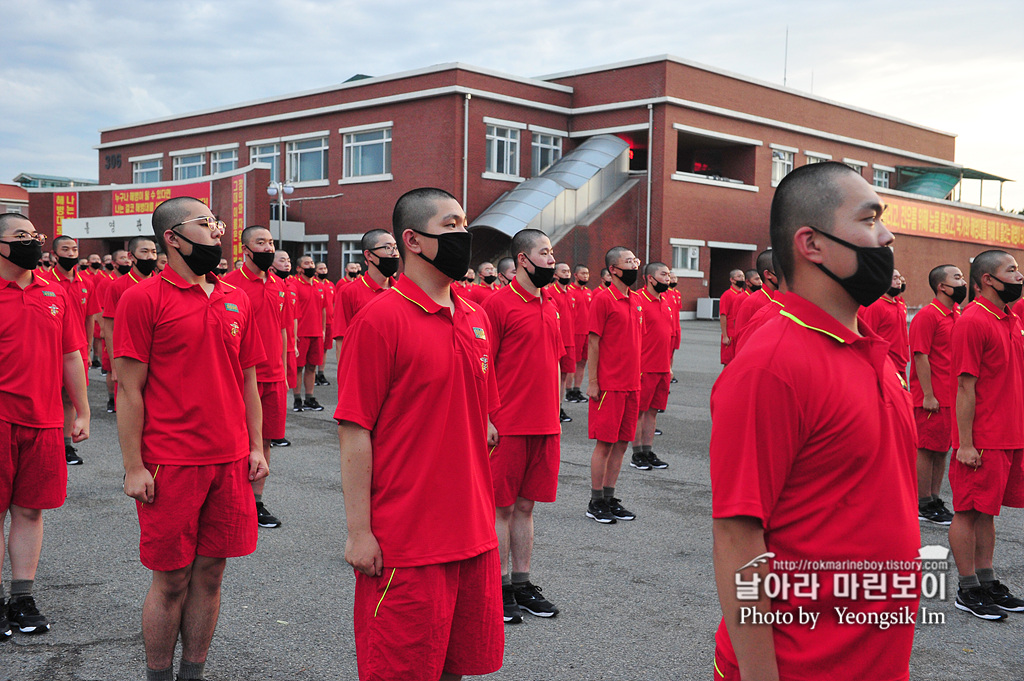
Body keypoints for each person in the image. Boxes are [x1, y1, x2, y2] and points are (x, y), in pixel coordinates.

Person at [711, 162, 920, 680]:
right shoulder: (771, 366)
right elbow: (738, 538)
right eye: (870, 219)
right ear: (812, 244)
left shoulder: (869, 349)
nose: (887, 235)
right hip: (803, 665)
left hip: (876, 657)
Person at [336, 187, 503, 680]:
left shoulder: (475, 317)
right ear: (412, 240)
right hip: (407, 543)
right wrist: (359, 532)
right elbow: (354, 432)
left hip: (472, 533)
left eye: (464, 224)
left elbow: (482, 419)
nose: (464, 235)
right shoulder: (380, 320)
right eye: (450, 225)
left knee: (454, 666)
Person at [115, 197, 268, 681]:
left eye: (217, 223)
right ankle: (159, 674)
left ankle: (193, 673)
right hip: (170, 463)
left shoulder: (235, 297)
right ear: (172, 239)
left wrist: (258, 447)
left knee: (211, 573)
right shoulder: (142, 298)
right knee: (172, 579)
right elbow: (130, 390)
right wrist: (134, 465)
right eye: (205, 224)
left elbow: (248, 381)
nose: (217, 232)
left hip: (230, 460)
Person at [0, 214, 89, 640]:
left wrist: (83, 411)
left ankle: (21, 597)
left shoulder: (53, 291)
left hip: (45, 419)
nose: (32, 242)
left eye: (35, 236)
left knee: (31, 510)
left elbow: (71, 353)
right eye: (21, 237)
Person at [483, 228, 563, 625]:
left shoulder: (551, 303)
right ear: (522, 260)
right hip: (508, 424)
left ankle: (522, 583)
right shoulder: (497, 305)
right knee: (503, 507)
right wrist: (485, 418)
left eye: (552, 252)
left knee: (527, 507)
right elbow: (481, 367)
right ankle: (498, 589)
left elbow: (555, 361)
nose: (552, 260)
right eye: (544, 253)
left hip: (545, 424)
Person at [947, 249, 1024, 621]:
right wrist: (965, 443)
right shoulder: (974, 320)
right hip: (981, 437)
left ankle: (987, 580)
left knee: (987, 514)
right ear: (988, 280)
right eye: (1011, 270)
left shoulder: (1009, 319)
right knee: (967, 511)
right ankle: (967, 589)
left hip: (1008, 434)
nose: (1019, 275)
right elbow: (965, 386)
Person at [224, 227, 290, 529]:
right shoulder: (229, 286)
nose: (268, 248)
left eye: (271, 243)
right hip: (241, 377)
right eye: (260, 243)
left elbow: (283, 330)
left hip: (274, 375)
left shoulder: (279, 285)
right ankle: (231, 499)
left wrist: (286, 370)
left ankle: (256, 502)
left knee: (264, 441)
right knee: (237, 439)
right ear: (245, 251)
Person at [585, 247, 643, 524]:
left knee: (621, 445)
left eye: (635, 261)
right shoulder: (602, 299)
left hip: (632, 384)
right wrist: (593, 382)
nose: (634, 265)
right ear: (613, 270)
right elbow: (594, 341)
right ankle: (595, 501)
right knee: (605, 445)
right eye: (628, 262)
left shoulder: (636, 300)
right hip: (609, 385)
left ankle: (609, 497)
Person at [908, 265, 964, 526]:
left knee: (941, 450)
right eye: (957, 278)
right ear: (941, 286)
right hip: (932, 397)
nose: (963, 281)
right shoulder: (928, 315)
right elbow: (921, 355)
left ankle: (933, 498)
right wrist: (928, 395)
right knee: (926, 450)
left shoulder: (955, 314)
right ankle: (921, 503)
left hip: (950, 396)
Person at [49, 235, 100, 466]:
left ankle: (66, 444)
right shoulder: (43, 281)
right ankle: (49, 443)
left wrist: (88, 349)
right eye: (65, 249)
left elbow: (90, 318)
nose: (71, 253)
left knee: (70, 398)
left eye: (74, 249)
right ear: (54, 255)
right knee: (50, 396)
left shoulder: (87, 283)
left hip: (76, 350)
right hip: (49, 349)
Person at [100, 237, 159, 423]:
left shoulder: (162, 283)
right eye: (144, 252)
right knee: (132, 417)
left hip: (157, 357)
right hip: (128, 357)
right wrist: (114, 364)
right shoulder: (117, 286)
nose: (150, 257)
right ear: (130, 256)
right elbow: (109, 328)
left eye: (153, 252)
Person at [629, 263, 673, 472]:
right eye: (663, 274)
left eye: (668, 274)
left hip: (663, 368)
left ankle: (648, 451)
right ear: (650, 278)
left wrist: (670, 366)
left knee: (653, 412)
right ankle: (636, 453)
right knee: (639, 412)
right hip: (644, 368)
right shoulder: (638, 300)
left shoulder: (665, 301)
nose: (668, 278)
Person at [331, 229, 398, 363]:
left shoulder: (401, 291)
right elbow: (342, 341)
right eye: (388, 248)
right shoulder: (349, 291)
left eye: (395, 248)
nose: (394, 253)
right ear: (369, 255)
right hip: (364, 369)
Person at [858, 268, 910, 376]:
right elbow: (869, 336)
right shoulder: (876, 305)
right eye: (894, 278)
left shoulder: (899, 304)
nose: (899, 281)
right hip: (886, 362)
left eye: (899, 278)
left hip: (901, 362)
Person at [291, 255, 326, 412]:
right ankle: (297, 399)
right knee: (299, 367)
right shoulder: (294, 285)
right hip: (301, 333)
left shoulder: (320, 286)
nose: (311, 266)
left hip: (316, 333)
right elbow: (293, 312)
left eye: (312, 263)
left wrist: (323, 329)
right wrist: (294, 333)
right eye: (307, 263)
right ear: (299, 268)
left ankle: (310, 398)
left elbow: (323, 309)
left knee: (312, 366)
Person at [271, 251, 295, 449]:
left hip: (278, 353)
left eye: (288, 260)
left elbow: (285, 327)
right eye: (282, 260)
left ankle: (274, 434)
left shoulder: (282, 286)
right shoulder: (233, 283)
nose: (287, 264)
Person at [549, 263, 576, 422]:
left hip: (570, 340)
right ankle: (553, 408)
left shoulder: (570, 292)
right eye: (563, 271)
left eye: (568, 271)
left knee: (564, 376)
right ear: (556, 274)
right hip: (557, 341)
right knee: (555, 376)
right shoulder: (550, 292)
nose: (567, 274)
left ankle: (559, 407)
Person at [733, 250, 780, 336]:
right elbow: (741, 338)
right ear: (768, 274)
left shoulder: (787, 299)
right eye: (782, 270)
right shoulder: (752, 303)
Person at [568, 264, 592, 402]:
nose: (585, 276)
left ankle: (577, 389)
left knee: (582, 362)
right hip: (575, 332)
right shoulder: (570, 291)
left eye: (587, 274)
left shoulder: (589, 292)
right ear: (576, 275)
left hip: (586, 332)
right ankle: (569, 391)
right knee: (573, 363)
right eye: (583, 273)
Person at [717, 269, 746, 365]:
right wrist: (725, 336)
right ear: (732, 280)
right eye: (739, 276)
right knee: (729, 364)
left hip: (741, 334)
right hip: (730, 335)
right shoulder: (727, 295)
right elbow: (723, 315)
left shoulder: (745, 295)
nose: (742, 278)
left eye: (743, 276)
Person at [314, 262, 334, 387]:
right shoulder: (315, 285)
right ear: (315, 271)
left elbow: (333, 304)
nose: (323, 270)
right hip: (316, 324)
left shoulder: (331, 285)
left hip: (329, 322)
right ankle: (314, 373)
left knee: (325, 349)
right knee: (316, 350)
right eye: (320, 269)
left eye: (325, 268)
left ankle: (321, 372)